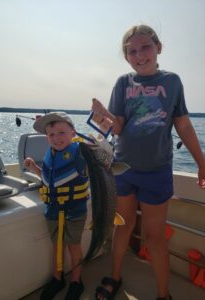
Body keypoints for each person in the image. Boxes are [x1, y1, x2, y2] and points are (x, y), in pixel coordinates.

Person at [91, 24, 205, 300]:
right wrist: (102, 118)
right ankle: (115, 275)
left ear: (158, 48)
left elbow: (184, 126)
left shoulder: (172, 81)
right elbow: (117, 127)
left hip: (156, 171)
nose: (140, 55)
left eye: (145, 47)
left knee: (155, 237)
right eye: (132, 51)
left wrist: (201, 162)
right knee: (123, 226)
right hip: (124, 170)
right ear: (127, 56)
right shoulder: (122, 83)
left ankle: (163, 293)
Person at [24, 112, 90, 300]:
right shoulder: (50, 154)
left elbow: (101, 152)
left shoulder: (81, 152)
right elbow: (48, 180)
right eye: (51, 135)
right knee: (56, 245)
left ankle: (77, 281)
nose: (56, 138)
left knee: (73, 246)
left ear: (73, 133)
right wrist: (34, 168)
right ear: (47, 138)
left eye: (62, 133)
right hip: (52, 209)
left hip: (74, 210)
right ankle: (57, 278)